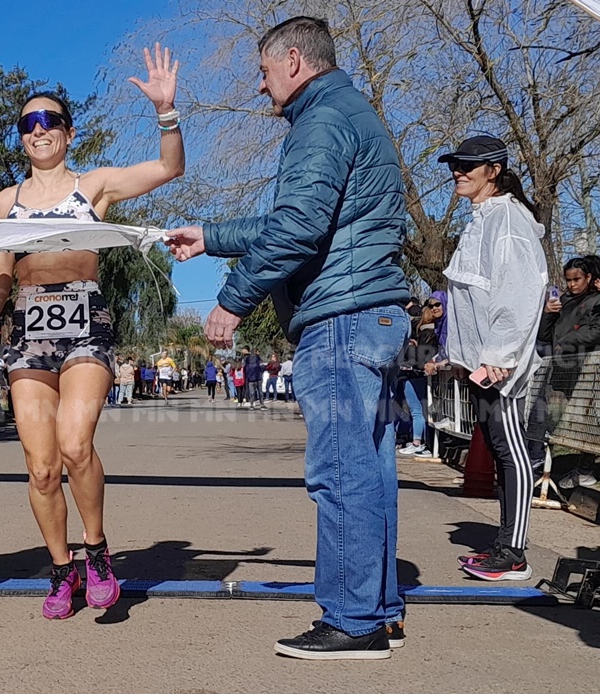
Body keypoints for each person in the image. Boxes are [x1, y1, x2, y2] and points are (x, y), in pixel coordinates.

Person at [165, 17, 410, 659]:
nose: (260, 86)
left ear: (295, 61)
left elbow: (300, 226)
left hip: (342, 318)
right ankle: (375, 607)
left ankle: (353, 622)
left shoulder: (321, 120)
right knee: (369, 471)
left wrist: (232, 299)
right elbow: (302, 217)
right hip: (371, 311)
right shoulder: (346, 112)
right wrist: (210, 236)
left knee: (340, 472)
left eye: (265, 72)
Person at [0, 44, 184, 621]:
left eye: (49, 121)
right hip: (27, 327)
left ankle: (98, 552)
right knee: (41, 466)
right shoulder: (4, 202)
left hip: (85, 324)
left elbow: (168, 168)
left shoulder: (95, 186)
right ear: (21, 137)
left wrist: (166, 111)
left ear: (68, 132)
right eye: (28, 124)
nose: (38, 131)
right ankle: (62, 569)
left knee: (74, 445)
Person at [434, 135, 548, 584]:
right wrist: (459, 357)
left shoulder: (509, 220)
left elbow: (520, 294)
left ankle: (514, 552)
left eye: (468, 165)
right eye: (455, 165)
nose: (458, 172)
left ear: (494, 171)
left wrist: (499, 356)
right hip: (479, 361)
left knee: (510, 448)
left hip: (498, 362)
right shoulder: (484, 219)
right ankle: (504, 545)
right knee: (499, 447)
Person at [533, 256, 600, 488]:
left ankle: (585, 468)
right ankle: (538, 465)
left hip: (588, 370)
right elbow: (544, 336)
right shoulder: (563, 301)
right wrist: (547, 313)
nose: (572, 285)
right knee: (548, 418)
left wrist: (567, 342)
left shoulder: (599, 301)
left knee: (587, 421)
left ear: (589, 278)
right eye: (568, 280)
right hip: (561, 371)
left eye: (577, 279)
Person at [398, 298, 443, 459]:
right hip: (420, 373)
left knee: (417, 410)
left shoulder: (426, 333)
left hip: (415, 373)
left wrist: (412, 361)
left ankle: (417, 442)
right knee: (421, 410)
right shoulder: (432, 332)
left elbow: (423, 356)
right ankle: (419, 442)